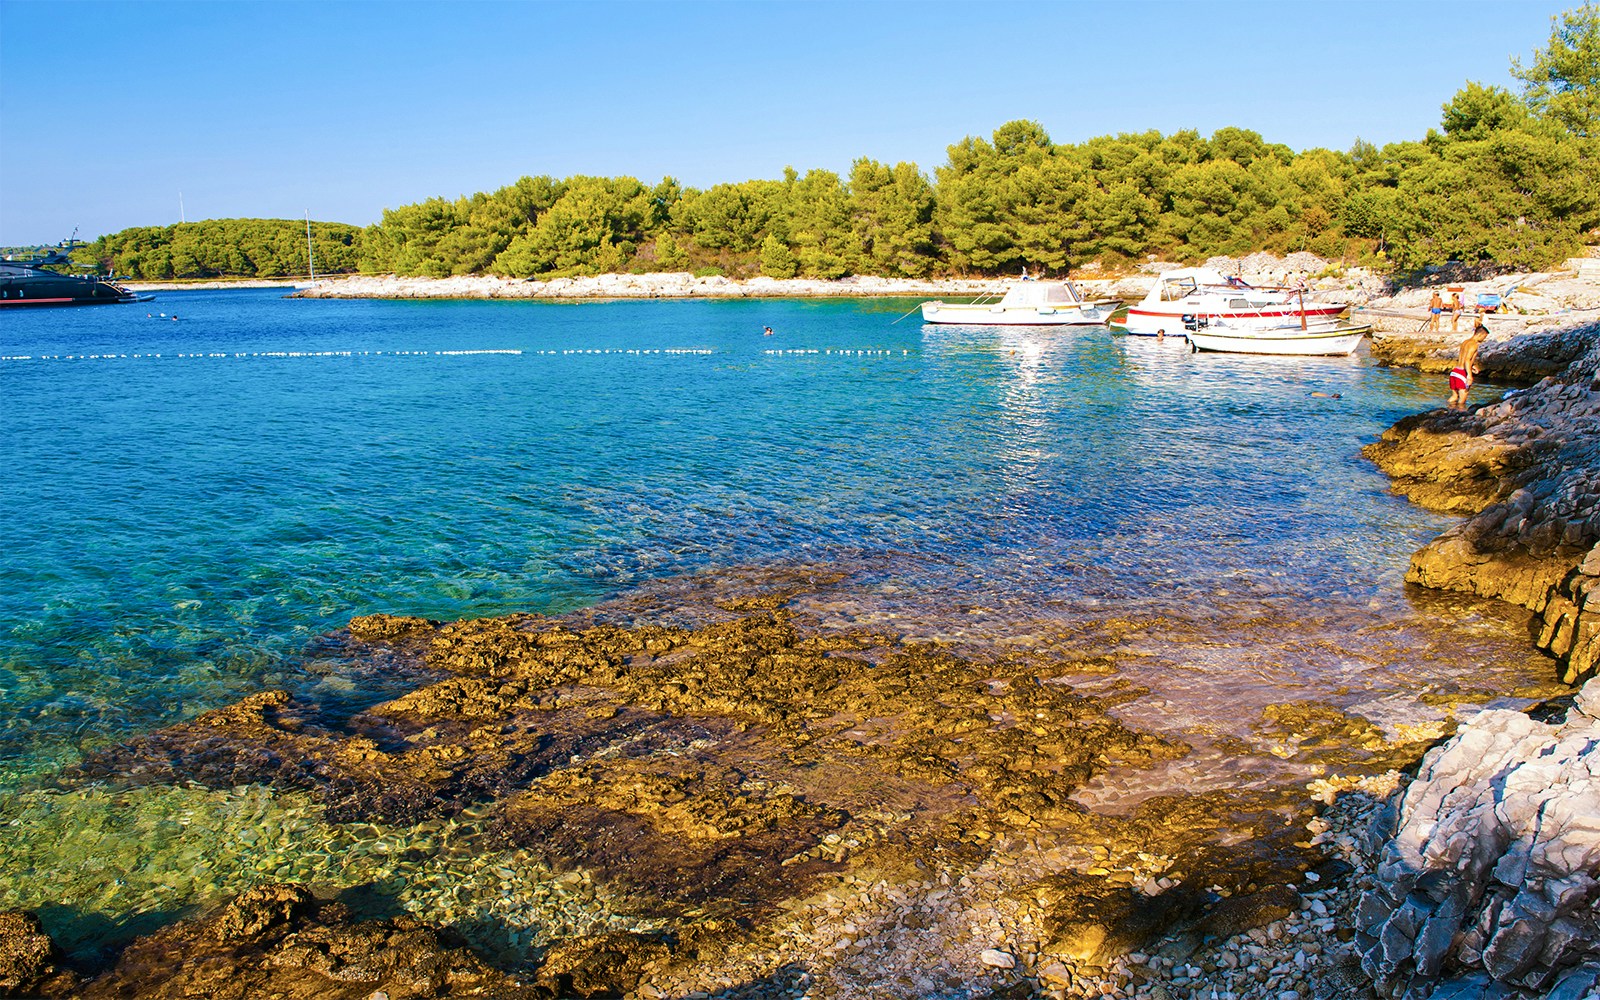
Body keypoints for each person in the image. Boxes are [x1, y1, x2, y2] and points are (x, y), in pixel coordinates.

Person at [1448, 321, 1489, 409]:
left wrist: (1472, 366)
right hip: (1462, 373)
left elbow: (1464, 357)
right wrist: (1470, 376)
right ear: (1480, 335)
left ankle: (1446, 411)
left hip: (1455, 371)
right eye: (1484, 337)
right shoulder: (1474, 345)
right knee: (1462, 402)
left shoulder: (1465, 342)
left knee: (1454, 397)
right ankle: (1457, 417)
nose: (1483, 339)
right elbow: (1467, 359)